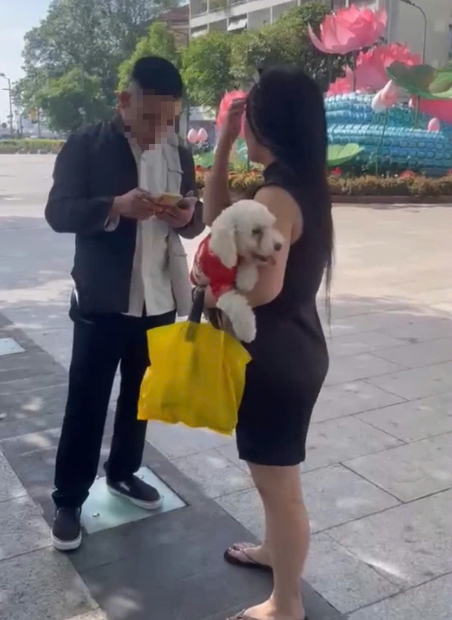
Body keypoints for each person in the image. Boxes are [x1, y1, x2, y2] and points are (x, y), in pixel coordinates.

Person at [45, 56, 204, 551]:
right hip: (102, 298)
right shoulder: (87, 144)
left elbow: (196, 217)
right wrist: (114, 207)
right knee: (86, 401)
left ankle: (123, 473)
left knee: (141, 397)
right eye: (152, 116)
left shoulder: (178, 151)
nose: (162, 128)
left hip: (158, 298)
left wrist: (185, 219)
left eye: (170, 118)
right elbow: (57, 212)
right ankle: (69, 498)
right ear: (124, 102)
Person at [203, 66, 333, 620]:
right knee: (273, 482)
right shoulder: (297, 184)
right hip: (293, 347)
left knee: (281, 490)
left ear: (265, 125)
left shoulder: (278, 195)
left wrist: (210, 297)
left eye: (246, 122)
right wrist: (226, 144)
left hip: (274, 356)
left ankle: (287, 603)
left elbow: (266, 287)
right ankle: (270, 554)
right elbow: (217, 225)